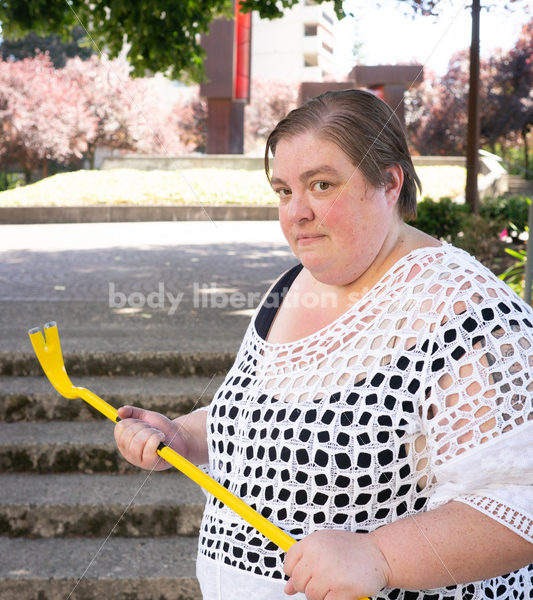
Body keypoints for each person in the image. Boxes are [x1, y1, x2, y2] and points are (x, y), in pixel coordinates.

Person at [114, 89, 533, 600]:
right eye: (284, 191)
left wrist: (381, 555)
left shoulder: (462, 310)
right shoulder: (291, 284)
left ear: (389, 182)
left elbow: (518, 499)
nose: (297, 213)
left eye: (321, 185)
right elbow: (266, 415)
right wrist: (183, 435)